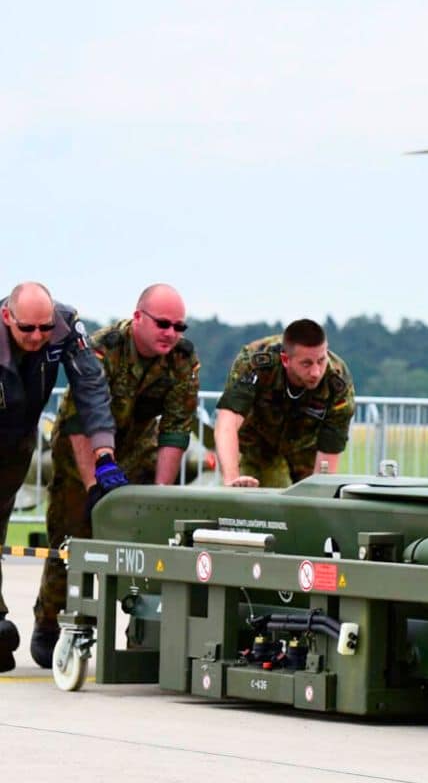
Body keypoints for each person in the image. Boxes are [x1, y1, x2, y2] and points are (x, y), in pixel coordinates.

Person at [29, 284, 200, 668]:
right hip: (81, 448)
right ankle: (52, 623)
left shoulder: (183, 359)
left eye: (179, 326)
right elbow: (79, 420)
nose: (171, 333)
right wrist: (94, 487)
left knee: (149, 541)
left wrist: (160, 492)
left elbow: (175, 429)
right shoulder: (103, 348)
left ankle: (144, 629)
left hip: (137, 449)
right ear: (138, 317)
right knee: (71, 536)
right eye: (163, 324)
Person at [0, 282, 122, 673]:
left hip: (17, 440)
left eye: (44, 327)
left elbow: (90, 387)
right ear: (6, 317)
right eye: (27, 328)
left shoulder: (66, 326)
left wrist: (104, 454)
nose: (38, 337)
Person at [214, 319, 355, 488]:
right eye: (306, 364)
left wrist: (319, 493)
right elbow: (227, 423)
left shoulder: (337, 381)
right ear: (286, 360)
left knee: (314, 494)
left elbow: (329, 450)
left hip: (305, 448)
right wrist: (231, 478)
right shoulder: (257, 361)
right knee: (255, 495)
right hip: (257, 444)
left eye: (321, 360)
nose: (316, 372)